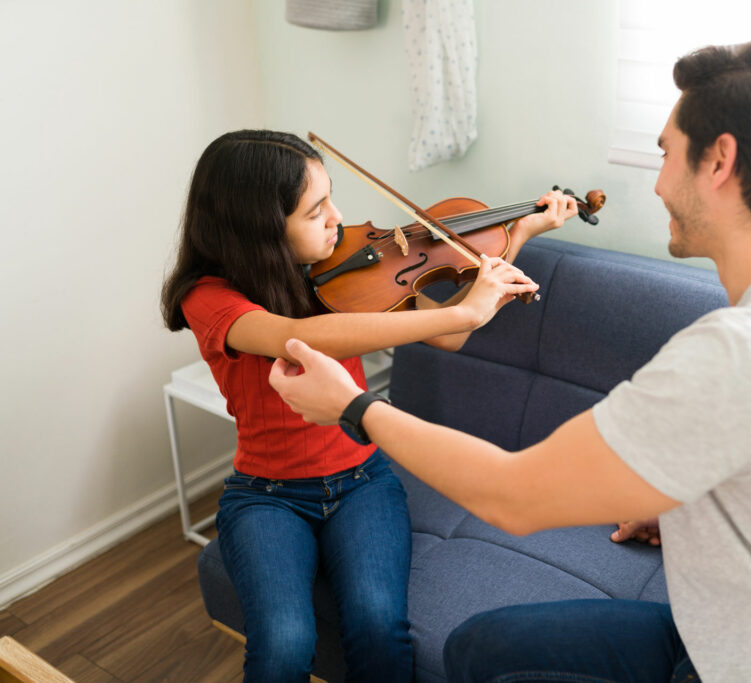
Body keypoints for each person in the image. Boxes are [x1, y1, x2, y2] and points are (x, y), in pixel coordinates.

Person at [268, 40, 751, 683]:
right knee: (478, 649)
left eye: (666, 152)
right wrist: (685, 508)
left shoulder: (743, 349)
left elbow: (513, 494)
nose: (659, 180)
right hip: (722, 628)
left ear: (720, 161)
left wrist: (354, 406)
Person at [160, 129, 576, 682]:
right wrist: (465, 312)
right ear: (261, 225)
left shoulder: (354, 268)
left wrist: (516, 232)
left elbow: (448, 335)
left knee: (379, 629)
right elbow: (297, 335)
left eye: (332, 198)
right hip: (266, 497)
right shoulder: (209, 298)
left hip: (362, 482)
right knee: (283, 643)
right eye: (316, 211)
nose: (337, 218)